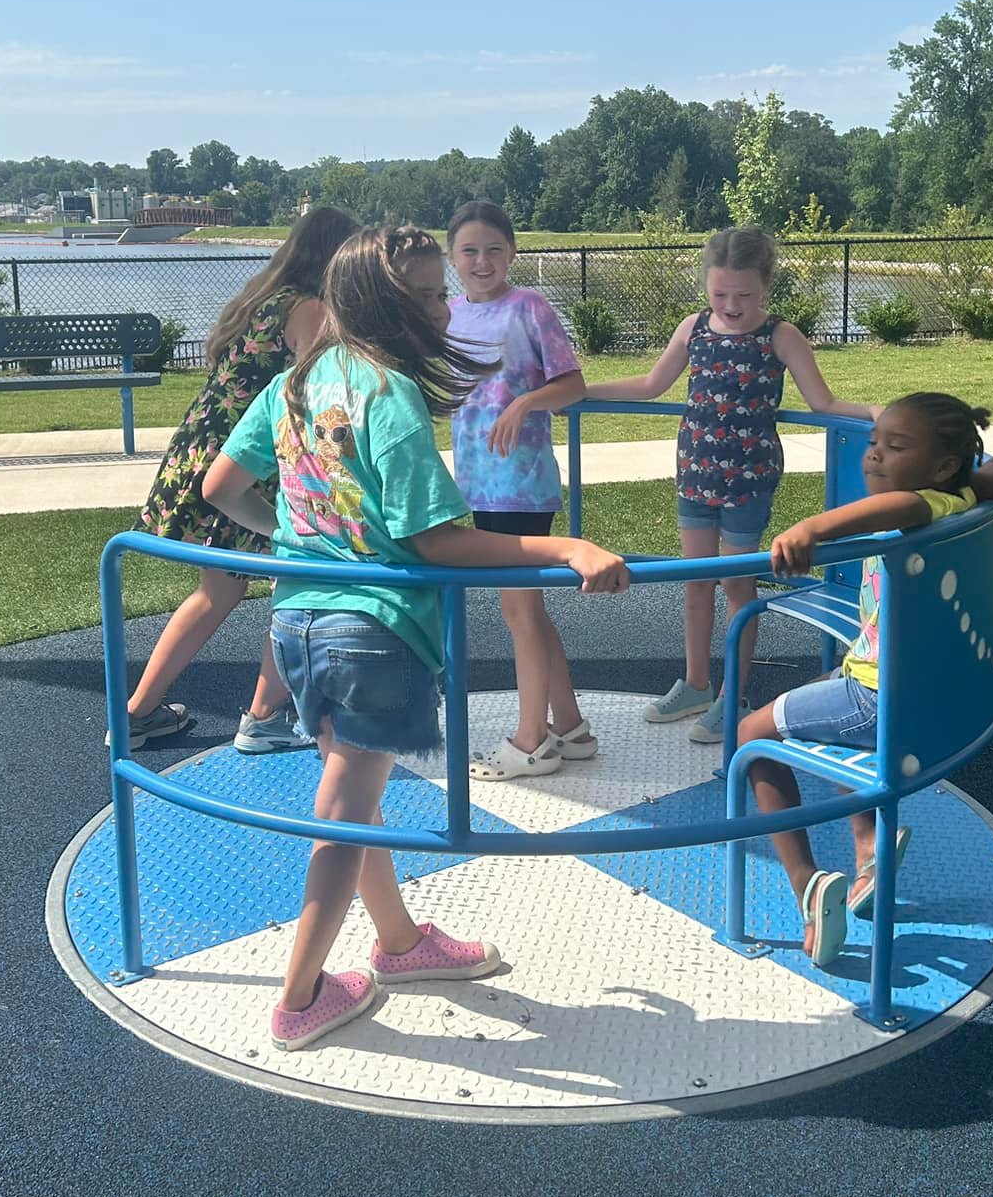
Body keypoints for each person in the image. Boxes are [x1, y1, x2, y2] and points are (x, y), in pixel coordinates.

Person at [202, 224, 630, 1051]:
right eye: (431, 296)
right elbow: (437, 541)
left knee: (353, 791)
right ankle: (300, 996)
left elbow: (223, 487)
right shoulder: (386, 393)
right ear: (387, 305)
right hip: (371, 630)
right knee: (346, 813)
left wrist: (299, 542)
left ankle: (397, 943)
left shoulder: (297, 383)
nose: (445, 309)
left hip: (297, 621)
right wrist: (564, 548)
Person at [743, 392, 993, 968]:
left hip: (875, 697)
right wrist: (983, 474)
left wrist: (810, 528)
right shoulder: (960, 495)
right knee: (823, 702)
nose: (875, 456)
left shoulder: (919, 505)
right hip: (917, 689)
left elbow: (889, 509)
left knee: (750, 736)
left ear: (942, 465)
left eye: (896, 446)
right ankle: (869, 846)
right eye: (874, 443)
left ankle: (807, 885)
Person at [585, 227, 875, 742]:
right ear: (706, 287)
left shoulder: (780, 335)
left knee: (737, 586)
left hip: (748, 480)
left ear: (765, 286)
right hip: (695, 473)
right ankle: (696, 684)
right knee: (696, 581)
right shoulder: (694, 327)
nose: (732, 306)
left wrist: (876, 410)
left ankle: (733, 696)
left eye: (744, 295)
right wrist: (581, 391)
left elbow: (823, 402)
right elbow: (651, 384)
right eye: (720, 294)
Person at [112, 206, 362, 753]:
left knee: (219, 590)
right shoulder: (310, 308)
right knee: (291, 577)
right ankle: (264, 716)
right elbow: (315, 392)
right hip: (249, 462)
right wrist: (337, 462)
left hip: (204, 451)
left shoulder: (262, 297)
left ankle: (138, 714)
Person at [441, 201, 592, 782]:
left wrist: (527, 401)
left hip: (521, 485)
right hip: (478, 484)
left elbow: (572, 383)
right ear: (452, 256)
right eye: (469, 251)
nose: (482, 261)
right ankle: (570, 726)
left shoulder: (529, 307)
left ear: (512, 252)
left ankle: (532, 741)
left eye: (493, 250)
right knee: (526, 608)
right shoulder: (449, 314)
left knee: (518, 610)